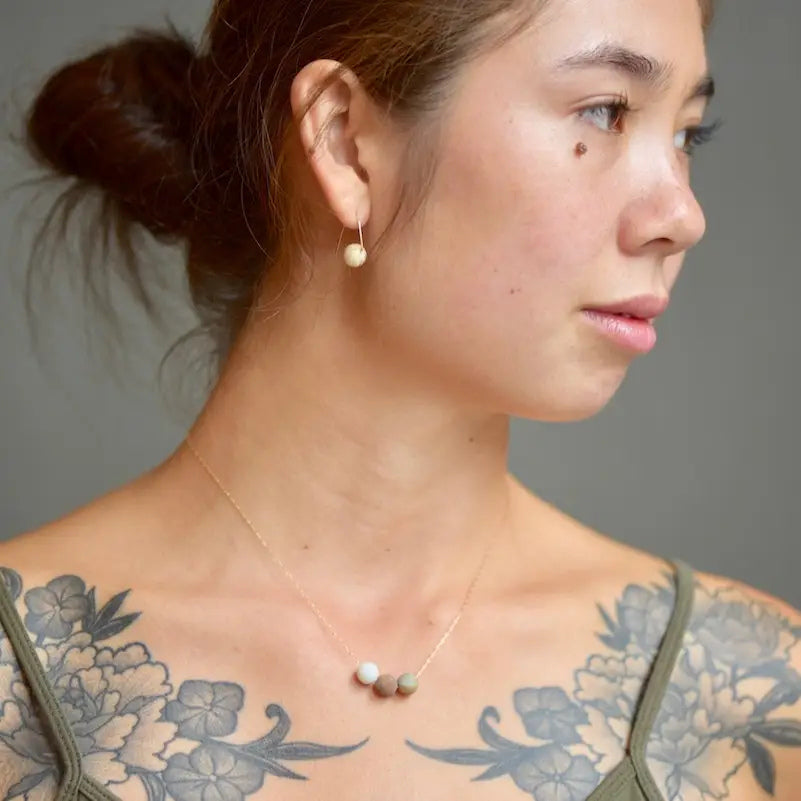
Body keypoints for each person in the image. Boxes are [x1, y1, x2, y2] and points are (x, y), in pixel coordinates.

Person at [1, 0, 799, 799]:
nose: (681, 216)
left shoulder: (751, 694)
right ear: (345, 141)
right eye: (605, 111)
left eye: (686, 134)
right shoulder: (20, 676)